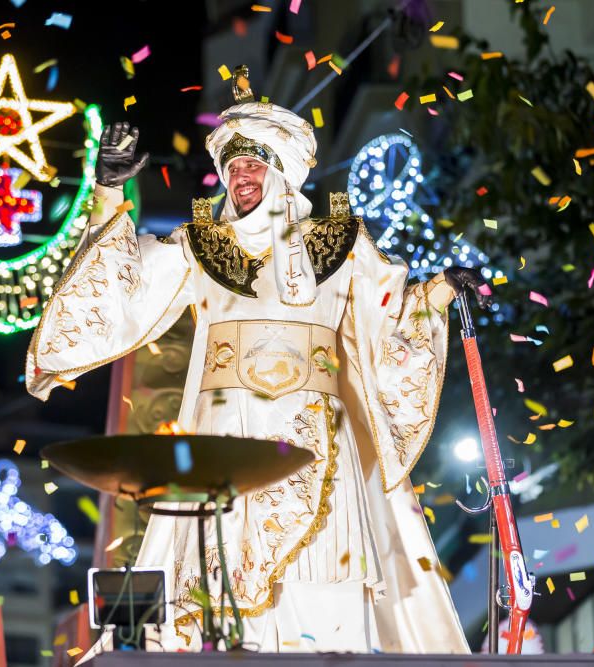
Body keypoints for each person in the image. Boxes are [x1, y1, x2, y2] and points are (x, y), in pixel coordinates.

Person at [26, 73, 490, 654]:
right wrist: (109, 191)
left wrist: (442, 290)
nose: (240, 179)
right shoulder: (201, 244)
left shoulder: (341, 243)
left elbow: (390, 315)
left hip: (317, 439)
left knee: (324, 570)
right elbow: (126, 287)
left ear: (284, 171)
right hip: (225, 430)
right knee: (218, 577)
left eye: (254, 167)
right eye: (233, 170)